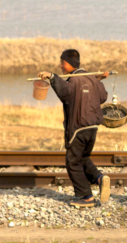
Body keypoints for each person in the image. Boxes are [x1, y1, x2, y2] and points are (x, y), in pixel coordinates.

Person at [38, 49, 110, 207]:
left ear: (69, 63)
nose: (61, 66)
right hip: (93, 127)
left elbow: (65, 93)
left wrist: (52, 76)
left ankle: (86, 197)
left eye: (62, 63)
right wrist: (98, 80)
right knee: (82, 158)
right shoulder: (92, 78)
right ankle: (100, 178)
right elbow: (103, 96)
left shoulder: (74, 80)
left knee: (72, 162)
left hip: (78, 127)